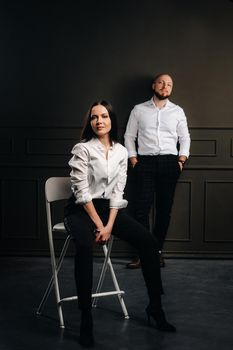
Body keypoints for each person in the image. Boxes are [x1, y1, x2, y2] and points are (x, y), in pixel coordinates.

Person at [64, 100, 176, 348]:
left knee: (148, 242)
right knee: (84, 246)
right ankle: (86, 319)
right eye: (94, 117)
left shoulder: (121, 152)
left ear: (112, 120)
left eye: (104, 116)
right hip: (82, 210)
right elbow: (81, 194)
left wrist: (109, 225)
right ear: (90, 122)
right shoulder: (82, 149)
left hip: (108, 211)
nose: (99, 121)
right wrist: (98, 225)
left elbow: (117, 192)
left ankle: (155, 307)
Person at [124, 74, 191, 269]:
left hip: (170, 164)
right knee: (141, 210)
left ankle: (157, 252)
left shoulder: (177, 111)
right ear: (154, 85)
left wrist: (181, 159)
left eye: (169, 84)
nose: (165, 86)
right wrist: (134, 160)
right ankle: (144, 253)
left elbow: (185, 137)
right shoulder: (139, 110)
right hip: (144, 163)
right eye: (161, 82)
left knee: (164, 211)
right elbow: (129, 136)